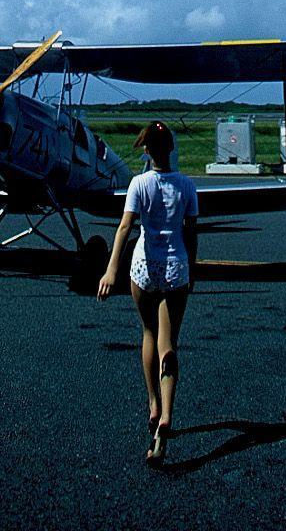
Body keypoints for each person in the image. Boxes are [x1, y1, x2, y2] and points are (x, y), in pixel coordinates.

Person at [97, 119, 198, 465]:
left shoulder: (138, 183)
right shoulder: (187, 185)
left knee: (148, 334)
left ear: (146, 150)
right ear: (170, 148)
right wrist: (192, 270)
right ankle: (166, 417)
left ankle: (152, 402)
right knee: (170, 345)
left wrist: (111, 269)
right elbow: (192, 233)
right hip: (175, 268)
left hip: (143, 267)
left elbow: (126, 226)